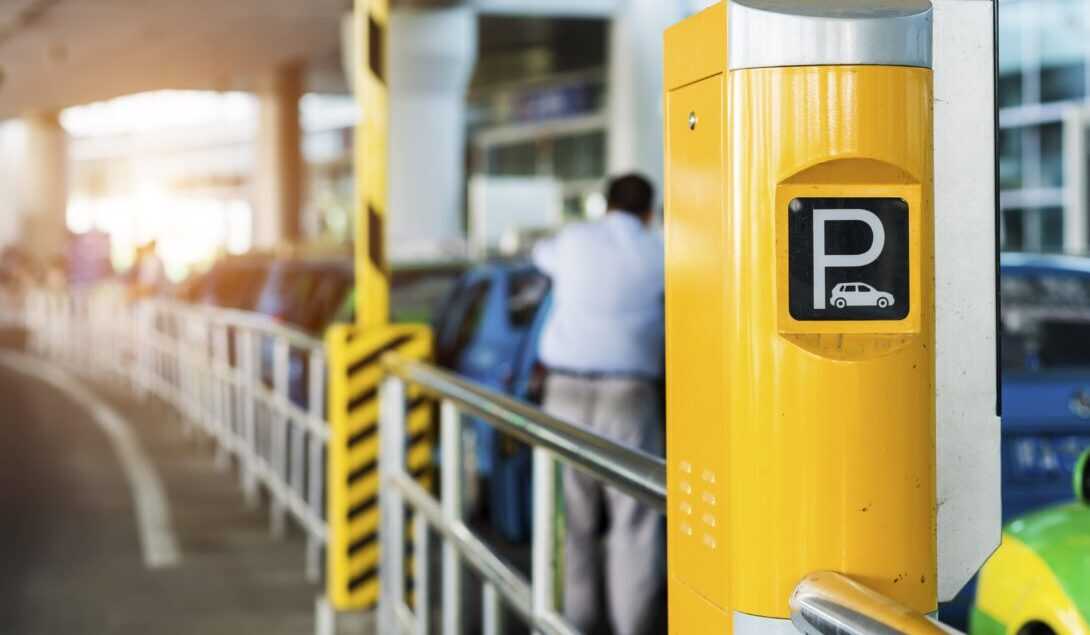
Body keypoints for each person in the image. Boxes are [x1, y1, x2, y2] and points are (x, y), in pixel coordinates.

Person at [532, 173, 666, 635]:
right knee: (635, 521)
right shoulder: (658, 249)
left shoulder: (573, 240)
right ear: (648, 213)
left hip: (565, 392)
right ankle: (632, 627)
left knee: (572, 520)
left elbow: (539, 258)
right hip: (628, 394)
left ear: (605, 205)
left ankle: (575, 625)